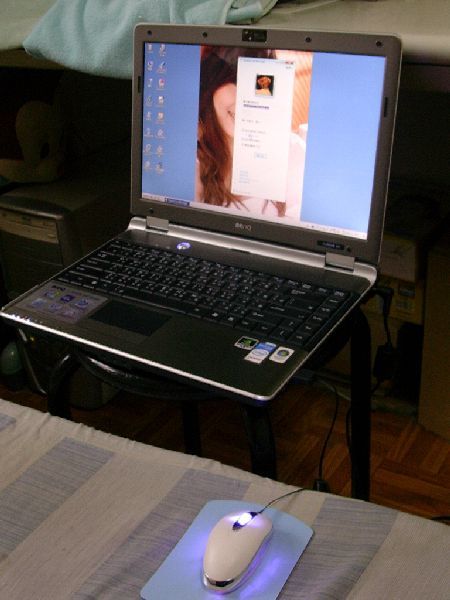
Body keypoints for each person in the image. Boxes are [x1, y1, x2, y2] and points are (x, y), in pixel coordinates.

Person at [195, 49, 307, 221]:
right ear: (211, 85)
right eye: (236, 81)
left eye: (260, 84)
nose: (248, 100)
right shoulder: (195, 160)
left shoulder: (293, 152)